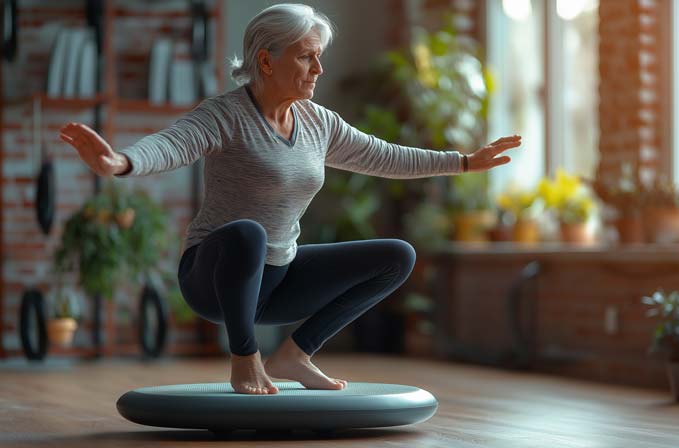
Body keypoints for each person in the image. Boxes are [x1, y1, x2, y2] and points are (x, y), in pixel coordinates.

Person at [59, 3, 521, 395]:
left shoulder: (319, 122)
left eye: (318, 57)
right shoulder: (226, 115)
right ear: (266, 61)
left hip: (277, 282)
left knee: (397, 255)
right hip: (214, 278)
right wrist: (119, 163)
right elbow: (172, 144)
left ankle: (294, 355)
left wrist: (463, 161)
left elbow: (385, 156)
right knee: (247, 233)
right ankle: (244, 357)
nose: (318, 69)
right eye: (306, 58)